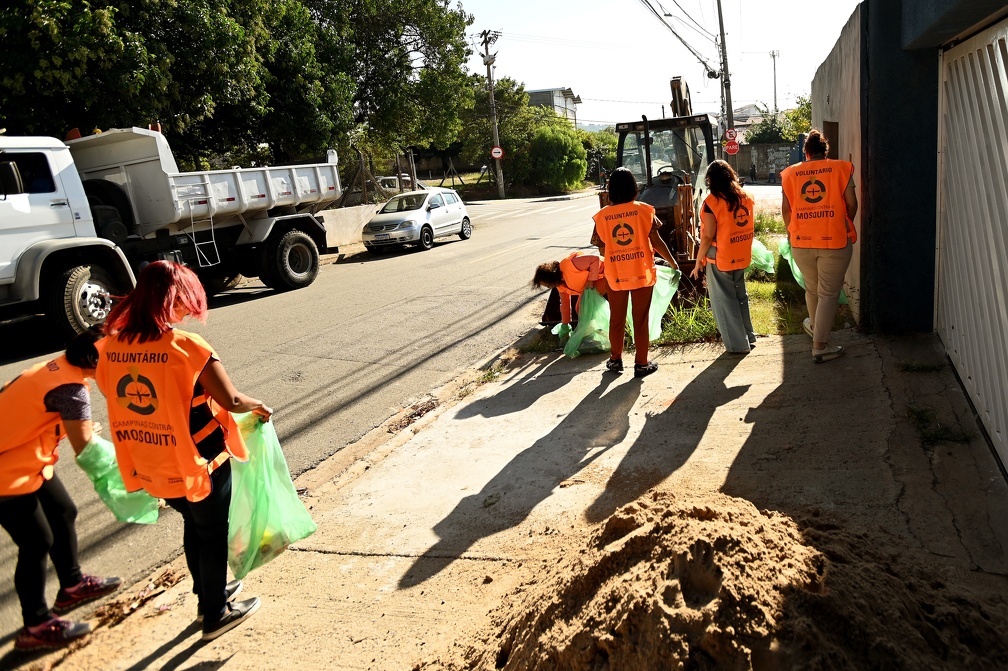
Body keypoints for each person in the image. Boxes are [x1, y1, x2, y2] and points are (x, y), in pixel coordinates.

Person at [94, 260, 272, 641]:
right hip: (199, 461)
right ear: (171, 299)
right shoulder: (187, 347)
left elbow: (114, 394)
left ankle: (207, 593)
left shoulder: (110, 346)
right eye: (185, 301)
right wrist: (259, 406)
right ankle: (214, 613)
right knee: (210, 533)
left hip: (152, 463)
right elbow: (232, 398)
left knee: (195, 525)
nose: (190, 309)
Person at [0, 329, 122, 650]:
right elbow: (86, 449)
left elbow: (29, 406)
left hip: (26, 456)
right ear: (95, 361)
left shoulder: (55, 367)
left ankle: (71, 585)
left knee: (64, 511)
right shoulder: (73, 390)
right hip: (7, 471)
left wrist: (77, 429)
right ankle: (36, 626)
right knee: (36, 541)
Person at [592, 167, 680, 377]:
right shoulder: (645, 210)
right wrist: (673, 262)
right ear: (634, 188)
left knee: (617, 319)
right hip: (641, 272)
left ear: (611, 190)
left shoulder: (602, 217)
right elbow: (657, 242)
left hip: (615, 276)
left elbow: (602, 249)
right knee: (640, 319)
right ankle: (641, 363)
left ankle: (615, 360)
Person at [780, 128, 859, 363]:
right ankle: (820, 346)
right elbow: (851, 203)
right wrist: (845, 223)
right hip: (834, 241)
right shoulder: (841, 169)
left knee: (813, 289)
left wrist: (792, 232)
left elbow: (786, 210)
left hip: (801, 243)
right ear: (826, 151)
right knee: (828, 294)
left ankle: (816, 328)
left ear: (806, 152)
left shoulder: (790, 174)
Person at [691, 160, 757, 354]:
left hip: (720, 257)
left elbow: (708, 236)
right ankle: (749, 337)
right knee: (740, 297)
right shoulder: (746, 196)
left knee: (724, 302)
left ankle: (738, 345)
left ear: (710, 180)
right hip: (741, 254)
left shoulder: (712, 202)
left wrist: (698, 262)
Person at [531, 252, 607, 329]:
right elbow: (565, 305)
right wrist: (565, 325)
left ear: (550, 278)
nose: (549, 287)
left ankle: (597, 330)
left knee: (585, 307)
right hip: (594, 283)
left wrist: (591, 279)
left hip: (607, 273)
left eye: (547, 285)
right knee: (580, 309)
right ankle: (593, 331)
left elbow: (594, 259)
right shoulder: (560, 286)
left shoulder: (569, 265)